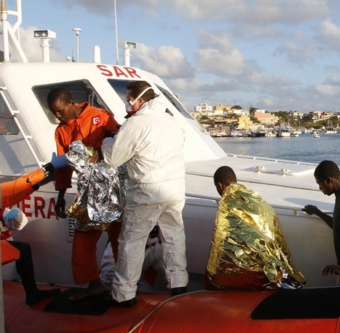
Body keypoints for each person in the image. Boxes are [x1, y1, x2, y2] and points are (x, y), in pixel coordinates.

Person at [102, 81, 188, 306]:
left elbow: (113, 158)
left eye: (129, 99)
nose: (127, 104)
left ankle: (124, 295)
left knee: (132, 240)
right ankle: (178, 283)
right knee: (174, 236)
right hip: (175, 188)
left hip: (146, 190)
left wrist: (106, 141)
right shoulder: (170, 120)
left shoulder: (136, 124)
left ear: (139, 100)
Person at [47, 88, 121, 301]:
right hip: (88, 192)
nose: (58, 117)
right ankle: (95, 284)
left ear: (70, 103)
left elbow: (122, 143)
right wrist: (61, 194)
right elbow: (63, 164)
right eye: (54, 113)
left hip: (114, 187)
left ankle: (125, 285)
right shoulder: (61, 131)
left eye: (60, 111)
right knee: (83, 240)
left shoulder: (101, 117)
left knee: (118, 238)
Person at [207, 166, 305, 290]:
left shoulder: (226, 206)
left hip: (249, 274)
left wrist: (211, 276)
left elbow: (218, 245)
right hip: (272, 269)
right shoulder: (258, 200)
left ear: (220, 185)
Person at [1, 207, 61, 305]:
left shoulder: (5, 215)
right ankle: (32, 294)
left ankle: (32, 293)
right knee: (23, 249)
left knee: (22, 249)